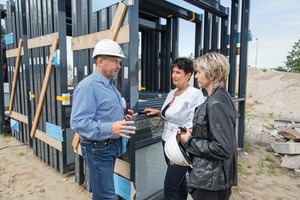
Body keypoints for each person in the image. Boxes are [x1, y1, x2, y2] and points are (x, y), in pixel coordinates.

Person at [70, 39, 136, 200]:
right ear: (100, 61)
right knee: (106, 196)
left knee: (102, 193)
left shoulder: (109, 84)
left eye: (119, 62)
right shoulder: (88, 86)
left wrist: (123, 115)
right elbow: (78, 123)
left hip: (108, 147)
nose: (119, 66)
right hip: (97, 149)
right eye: (115, 61)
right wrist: (110, 128)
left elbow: (103, 111)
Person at [144, 57, 205, 200]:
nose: (174, 75)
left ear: (188, 75)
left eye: (178, 72)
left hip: (180, 146)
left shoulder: (195, 94)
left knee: (170, 187)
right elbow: (171, 115)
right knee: (180, 181)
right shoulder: (172, 93)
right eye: (173, 72)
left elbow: (194, 123)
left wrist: (181, 141)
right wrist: (159, 112)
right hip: (167, 142)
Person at [179, 52, 237, 200]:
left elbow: (224, 148)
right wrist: (195, 132)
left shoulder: (216, 102)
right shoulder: (217, 98)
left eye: (198, 72)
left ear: (211, 74)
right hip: (210, 178)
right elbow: (213, 132)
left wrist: (189, 141)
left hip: (210, 182)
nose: (196, 76)